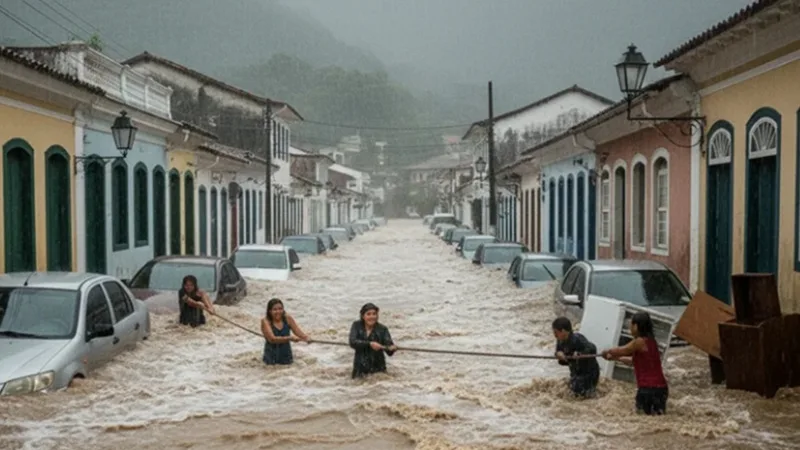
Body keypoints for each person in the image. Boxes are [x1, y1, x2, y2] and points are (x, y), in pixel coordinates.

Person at [602, 312, 669, 415]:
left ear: (636, 326)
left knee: (643, 418)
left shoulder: (639, 342)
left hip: (648, 389)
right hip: (661, 389)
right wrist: (616, 359)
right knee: (658, 418)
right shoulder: (651, 341)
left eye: (631, 324)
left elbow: (623, 350)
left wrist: (607, 352)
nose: (630, 327)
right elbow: (633, 361)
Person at [552, 316, 600, 398]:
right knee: (571, 393)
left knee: (581, 396)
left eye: (556, 332)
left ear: (563, 331)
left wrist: (580, 354)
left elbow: (593, 348)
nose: (554, 335)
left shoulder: (578, 338)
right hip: (576, 373)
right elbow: (558, 352)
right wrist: (558, 354)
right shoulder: (560, 341)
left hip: (589, 373)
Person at [349, 303, 397, 378]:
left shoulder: (383, 329)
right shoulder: (356, 325)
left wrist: (392, 348)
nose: (372, 317)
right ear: (363, 316)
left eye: (374, 314)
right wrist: (370, 344)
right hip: (359, 369)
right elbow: (352, 342)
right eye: (368, 314)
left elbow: (389, 351)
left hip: (378, 370)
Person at [261, 298, 310, 365]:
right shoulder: (265, 321)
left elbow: (297, 331)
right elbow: (272, 339)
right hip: (271, 359)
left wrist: (306, 337)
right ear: (270, 311)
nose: (278, 311)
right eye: (275, 309)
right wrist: (290, 338)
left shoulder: (287, 318)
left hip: (286, 357)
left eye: (280, 309)